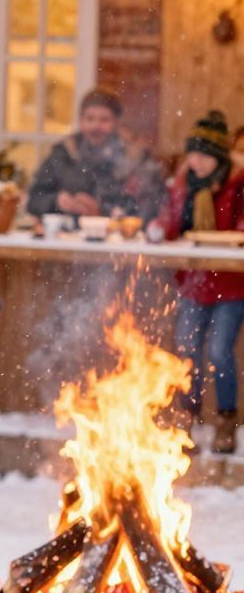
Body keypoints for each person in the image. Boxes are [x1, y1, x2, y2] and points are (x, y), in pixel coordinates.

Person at [147, 110, 244, 454]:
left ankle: (226, 421)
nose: (195, 161)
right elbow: (173, 220)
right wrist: (159, 229)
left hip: (232, 284)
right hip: (195, 282)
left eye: (202, 155)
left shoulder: (238, 181)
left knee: (219, 352)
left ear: (217, 157)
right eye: (192, 153)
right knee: (187, 351)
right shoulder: (186, 181)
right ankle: (187, 420)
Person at [27, 89, 164, 226]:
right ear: (81, 120)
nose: (95, 126)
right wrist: (57, 201)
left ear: (117, 122)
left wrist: (102, 212)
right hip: (68, 240)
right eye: (90, 119)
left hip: (117, 241)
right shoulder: (63, 152)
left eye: (104, 120)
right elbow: (33, 201)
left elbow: (152, 208)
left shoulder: (136, 156)